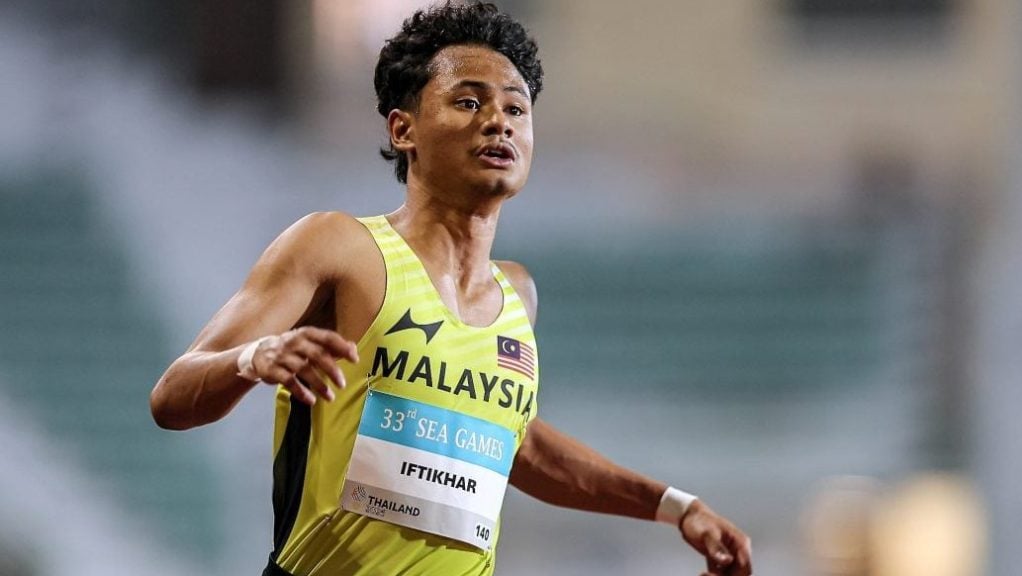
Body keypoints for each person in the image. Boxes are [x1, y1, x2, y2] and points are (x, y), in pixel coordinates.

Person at [149, 3, 753, 575]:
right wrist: (255, 358)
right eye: (468, 101)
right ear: (403, 129)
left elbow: (522, 449)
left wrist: (676, 507)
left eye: (516, 109)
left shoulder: (517, 294)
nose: (498, 121)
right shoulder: (339, 248)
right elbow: (172, 398)